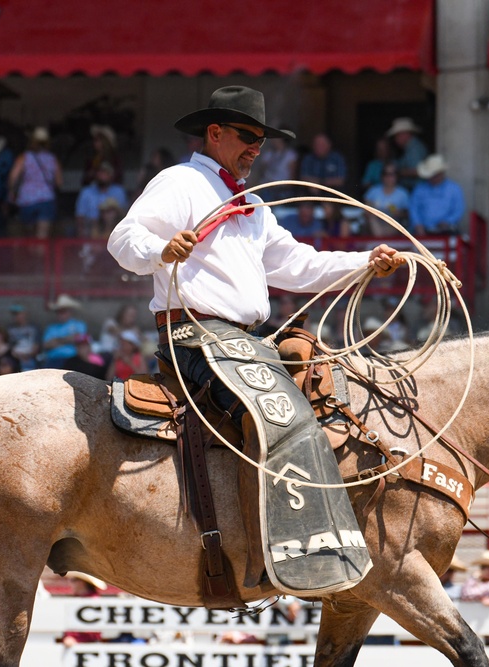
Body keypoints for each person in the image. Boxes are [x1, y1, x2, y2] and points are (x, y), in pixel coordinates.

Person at [108, 85, 402, 590]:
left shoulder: (250, 202)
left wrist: (363, 264)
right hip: (195, 335)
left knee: (323, 379)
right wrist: (163, 248)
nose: (255, 148)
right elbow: (123, 240)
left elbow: (296, 264)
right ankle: (271, 552)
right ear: (215, 133)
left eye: (261, 140)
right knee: (280, 412)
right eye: (247, 136)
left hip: (242, 339)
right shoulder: (180, 182)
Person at [8, 126, 62, 239]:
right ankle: (40, 255)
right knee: (42, 237)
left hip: (27, 200)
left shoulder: (24, 157)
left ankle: (31, 255)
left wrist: (12, 193)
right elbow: (59, 182)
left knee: (29, 237)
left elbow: (13, 177)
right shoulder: (52, 159)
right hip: (46, 199)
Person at [408, 154, 465, 235]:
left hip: (446, 232)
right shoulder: (420, 189)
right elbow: (413, 208)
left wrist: (447, 221)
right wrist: (417, 224)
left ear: (441, 173)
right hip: (422, 232)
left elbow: (458, 210)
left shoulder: (454, 189)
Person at [75, 163, 128, 238]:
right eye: (100, 173)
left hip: (113, 230)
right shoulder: (86, 192)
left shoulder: (119, 191)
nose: (102, 176)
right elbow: (80, 216)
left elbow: (124, 215)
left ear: (111, 176)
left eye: (106, 173)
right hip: (89, 230)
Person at [363, 163, 410, 235]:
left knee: (394, 222)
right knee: (372, 218)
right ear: (382, 176)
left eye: (392, 174)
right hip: (374, 223)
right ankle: (380, 241)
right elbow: (366, 209)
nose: (389, 177)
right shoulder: (374, 191)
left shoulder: (402, 193)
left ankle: (380, 242)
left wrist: (397, 212)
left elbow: (407, 214)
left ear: (397, 176)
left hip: (393, 223)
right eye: (386, 174)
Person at [42, 295, 87, 367]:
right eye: (58, 312)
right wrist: (68, 339)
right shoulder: (51, 328)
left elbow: (79, 339)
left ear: (70, 312)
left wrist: (57, 340)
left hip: (73, 359)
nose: (60, 314)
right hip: (53, 360)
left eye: (63, 312)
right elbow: (47, 345)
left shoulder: (78, 324)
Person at [250, 135, 297, 202]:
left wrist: (286, 186)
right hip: (267, 186)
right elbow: (262, 171)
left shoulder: (290, 154)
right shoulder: (269, 154)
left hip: (282, 188)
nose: (274, 141)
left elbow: (292, 175)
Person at [386, 117, 428, 191]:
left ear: (405, 134)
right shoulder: (409, 147)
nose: (395, 139)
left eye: (397, 136)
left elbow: (417, 171)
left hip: (416, 189)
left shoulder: (415, 148)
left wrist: (398, 172)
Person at [7, 304, 40, 372]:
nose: (16, 316)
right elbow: (9, 347)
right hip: (15, 358)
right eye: (14, 314)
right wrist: (18, 356)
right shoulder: (10, 329)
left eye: (18, 314)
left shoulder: (33, 328)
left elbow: (37, 345)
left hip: (31, 358)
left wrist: (28, 356)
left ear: (25, 314)